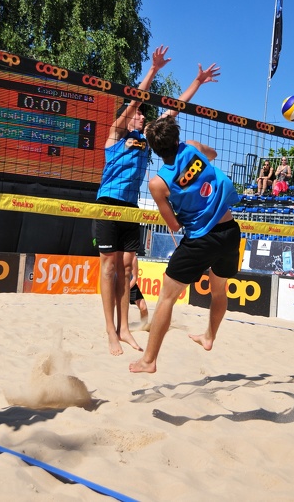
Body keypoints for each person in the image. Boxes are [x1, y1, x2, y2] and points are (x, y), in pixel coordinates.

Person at [95, 45, 220, 356]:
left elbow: (174, 109)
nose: (140, 114)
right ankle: (110, 331)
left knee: (126, 270)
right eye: (137, 113)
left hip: (130, 207)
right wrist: (152, 70)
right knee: (109, 266)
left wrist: (198, 82)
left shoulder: (146, 139)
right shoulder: (115, 136)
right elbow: (137, 99)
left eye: (141, 114)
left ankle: (124, 328)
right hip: (108, 203)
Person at [129, 116, 241, 374]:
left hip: (202, 239)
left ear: (154, 151)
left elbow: (175, 225)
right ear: (177, 139)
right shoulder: (192, 146)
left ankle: (148, 361)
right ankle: (209, 336)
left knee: (167, 298)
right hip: (229, 231)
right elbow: (212, 153)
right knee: (218, 290)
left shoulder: (158, 183)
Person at [130, 253, 148, 324]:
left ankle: (144, 325)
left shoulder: (133, 258)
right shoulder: (117, 256)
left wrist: (127, 288)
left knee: (143, 308)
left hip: (130, 285)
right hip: (118, 285)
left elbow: (134, 278)